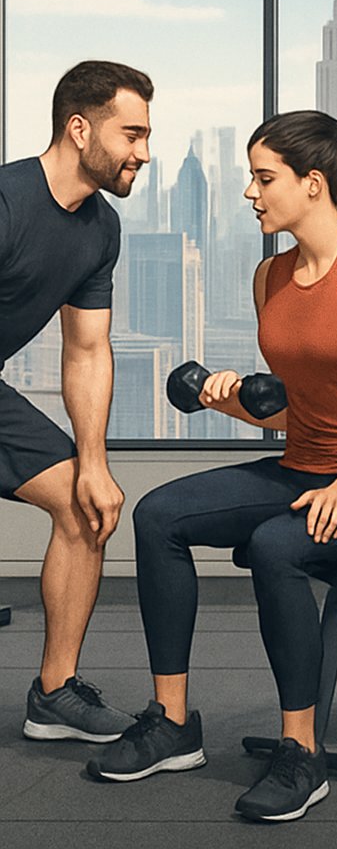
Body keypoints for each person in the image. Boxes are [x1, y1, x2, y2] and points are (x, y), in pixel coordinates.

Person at [87, 111, 337, 822]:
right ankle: (172, 721)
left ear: (313, 183)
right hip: (301, 467)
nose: (250, 192)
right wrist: (232, 400)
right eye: (250, 176)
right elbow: (293, 410)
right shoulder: (270, 276)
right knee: (158, 515)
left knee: (276, 547)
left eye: (264, 178)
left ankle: (302, 753)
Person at [1, 60, 152, 743]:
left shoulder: (100, 230)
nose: (142, 154)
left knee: (86, 507)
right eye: (132, 135)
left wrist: (93, 461)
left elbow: (87, 351)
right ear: (79, 126)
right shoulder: (6, 201)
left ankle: (55, 692)